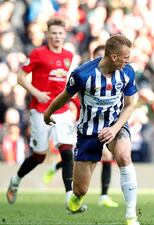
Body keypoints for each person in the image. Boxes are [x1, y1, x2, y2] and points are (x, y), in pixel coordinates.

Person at [43, 34, 140, 225]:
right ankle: (76, 199)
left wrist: (114, 128)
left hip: (115, 124)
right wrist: (48, 112)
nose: (128, 61)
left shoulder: (128, 72)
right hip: (88, 131)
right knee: (80, 189)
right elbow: (65, 96)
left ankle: (131, 216)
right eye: (126, 57)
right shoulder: (82, 74)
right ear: (114, 57)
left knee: (123, 156)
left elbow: (129, 106)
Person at [6, 17, 78, 209]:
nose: (57, 37)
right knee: (39, 155)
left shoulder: (69, 56)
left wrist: (73, 101)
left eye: (60, 33)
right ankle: (15, 179)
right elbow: (21, 77)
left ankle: (70, 199)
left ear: (64, 35)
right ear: (47, 34)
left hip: (61, 110)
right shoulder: (38, 53)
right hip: (40, 109)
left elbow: (66, 83)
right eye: (53, 33)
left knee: (67, 151)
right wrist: (37, 93)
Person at [42, 45, 119, 208]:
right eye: (98, 55)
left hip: (101, 126)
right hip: (82, 126)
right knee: (75, 157)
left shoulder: (114, 78)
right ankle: (59, 171)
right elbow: (68, 99)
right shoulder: (85, 77)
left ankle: (104, 195)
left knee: (104, 157)